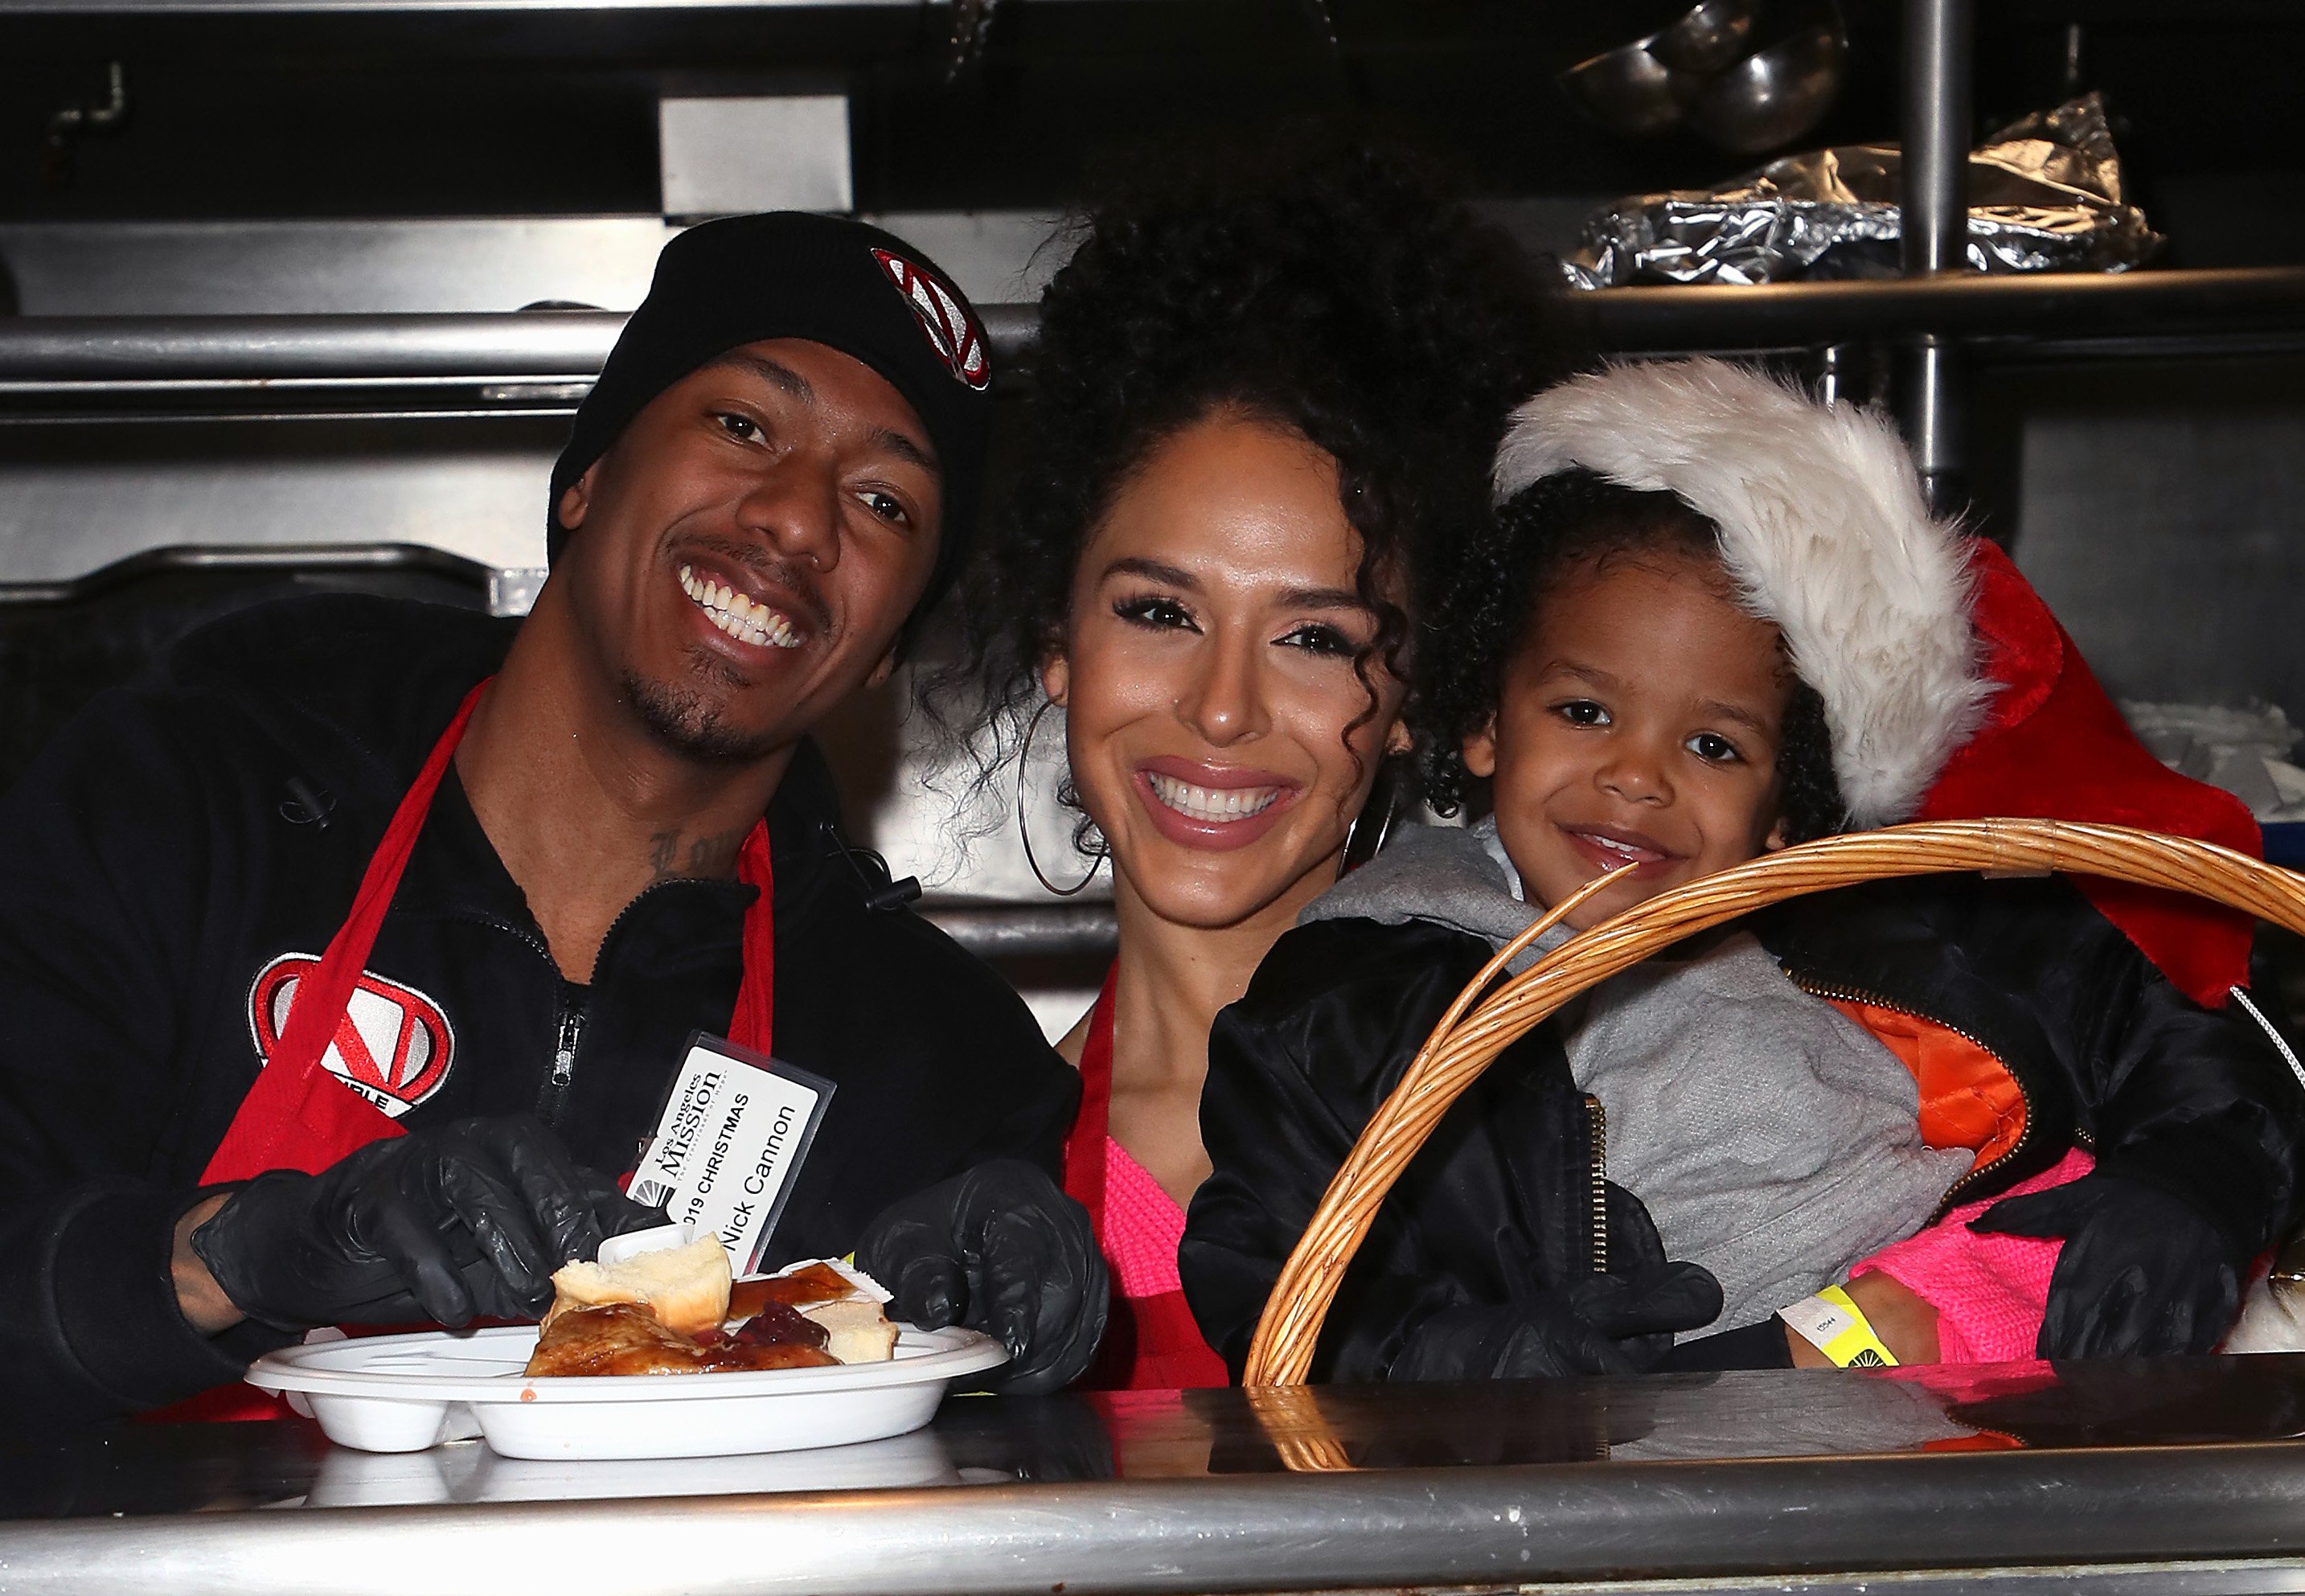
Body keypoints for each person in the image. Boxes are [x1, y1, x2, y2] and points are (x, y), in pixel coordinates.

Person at [0, 213, 1103, 1427]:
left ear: (892, 642)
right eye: (743, 425)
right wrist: (231, 1255)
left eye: (886, 501)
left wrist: (971, 1347)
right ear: (585, 476)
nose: (800, 519)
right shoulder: (175, 809)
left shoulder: (934, 1067)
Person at [1181, 359, 2305, 1381]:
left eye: (1713, 745)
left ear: (1784, 807)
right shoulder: (1355, 997)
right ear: (1484, 720)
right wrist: (1471, 1364)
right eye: (1584, 710)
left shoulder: (1909, 923)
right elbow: (1268, 1270)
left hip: (1980, 1410)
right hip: (1635, 1461)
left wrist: (2197, 1180)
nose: (1637, 778)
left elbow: (2197, 1037)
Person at [944, 142, 1561, 1388]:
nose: (1221, 710)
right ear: (1059, 643)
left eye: (1314, 637)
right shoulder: (975, 1154)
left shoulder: (1545, 1072)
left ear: (1410, 698)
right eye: (1160, 612)